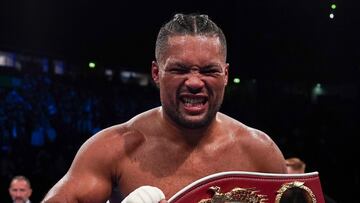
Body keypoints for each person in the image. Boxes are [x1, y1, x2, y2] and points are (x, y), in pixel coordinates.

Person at [42, 13, 287, 203]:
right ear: (156, 73)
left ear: (225, 74)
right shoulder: (113, 149)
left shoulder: (259, 153)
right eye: (179, 70)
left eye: (209, 70)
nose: (193, 82)